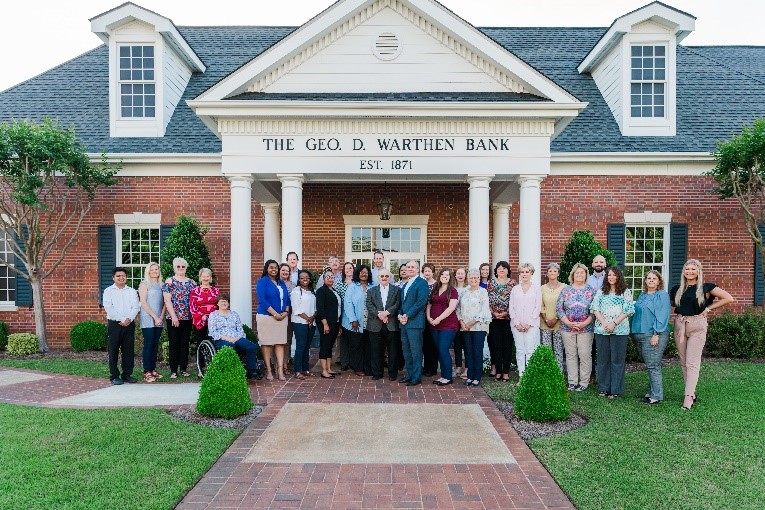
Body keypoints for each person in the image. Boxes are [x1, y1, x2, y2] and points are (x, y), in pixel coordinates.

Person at [670, 259, 734, 410]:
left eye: (693, 269)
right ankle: (691, 392)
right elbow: (675, 305)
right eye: (687, 269)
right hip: (680, 325)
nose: (689, 272)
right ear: (683, 271)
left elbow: (728, 298)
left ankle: (688, 397)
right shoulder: (676, 289)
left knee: (692, 362)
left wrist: (708, 309)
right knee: (684, 361)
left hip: (697, 325)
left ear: (698, 271)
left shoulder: (706, 287)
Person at [590, 267, 634, 398]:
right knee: (603, 360)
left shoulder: (625, 292)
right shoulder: (601, 292)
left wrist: (614, 324)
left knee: (617, 360)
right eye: (609, 275)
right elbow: (594, 308)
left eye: (614, 275)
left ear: (619, 276)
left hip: (620, 330)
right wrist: (604, 324)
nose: (611, 277)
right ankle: (604, 388)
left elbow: (627, 310)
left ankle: (616, 390)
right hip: (601, 330)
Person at [631, 270, 671, 404]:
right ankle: (652, 392)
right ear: (645, 281)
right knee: (650, 364)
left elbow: (662, 315)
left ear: (659, 281)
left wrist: (657, 334)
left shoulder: (662, 295)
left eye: (654, 278)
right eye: (648, 278)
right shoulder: (642, 295)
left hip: (653, 334)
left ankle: (656, 396)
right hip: (638, 333)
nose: (651, 280)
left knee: (653, 365)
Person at [556, 263, 596, 391]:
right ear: (573, 275)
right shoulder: (566, 290)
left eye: (582, 273)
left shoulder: (591, 291)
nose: (579, 275)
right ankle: (572, 381)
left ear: (586, 275)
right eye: (577, 273)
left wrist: (585, 323)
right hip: (567, 328)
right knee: (570, 354)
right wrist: (567, 322)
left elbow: (594, 310)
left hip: (586, 328)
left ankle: (584, 382)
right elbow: (559, 308)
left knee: (584, 354)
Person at [207, 294, 261, 378]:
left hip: (237, 337)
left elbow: (240, 329)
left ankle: (251, 370)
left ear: (228, 303)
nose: (223, 303)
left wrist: (237, 338)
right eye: (221, 301)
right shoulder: (213, 315)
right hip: (221, 338)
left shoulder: (234, 314)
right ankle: (232, 371)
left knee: (252, 347)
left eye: (225, 301)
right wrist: (226, 338)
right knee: (230, 346)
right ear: (217, 304)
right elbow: (212, 331)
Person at [103, 267, 140, 385]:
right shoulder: (108, 291)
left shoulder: (132, 291)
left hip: (129, 324)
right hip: (115, 324)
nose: (121, 278)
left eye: (123, 275)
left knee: (128, 350)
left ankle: (127, 374)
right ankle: (114, 375)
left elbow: (136, 307)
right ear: (113, 278)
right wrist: (123, 319)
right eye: (118, 276)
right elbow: (109, 308)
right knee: (113, 350)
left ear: (126, 277)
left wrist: (129, 319)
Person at [255, 259, 291, 381]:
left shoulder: (281, 283)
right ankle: (269, 370)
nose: (274, 269)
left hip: (282, 318)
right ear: (266, 268)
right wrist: (275, 314)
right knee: (267, 344)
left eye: (276, 267)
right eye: (271, 267)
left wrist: (285, 312)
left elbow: (287, 300)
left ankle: (280, 371)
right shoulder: (262, 282)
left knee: (280, 343)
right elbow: (262, 300)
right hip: (266, 316)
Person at [162, 257, 197, 379]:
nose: (181, 268)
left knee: (184, 343)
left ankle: (183, 369)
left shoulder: (192, 282)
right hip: (173, 317)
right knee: (174, 343)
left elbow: (195, 300)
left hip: (188, 318)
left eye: (183, 266)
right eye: (178, 266)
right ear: (174, 268)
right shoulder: (170, 281)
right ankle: (173, 370)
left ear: (186, 268)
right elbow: (167, 300)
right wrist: (173, 316)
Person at [457, 268, 492, 386]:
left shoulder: (483, 292)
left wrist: (471, 322)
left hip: (478, 327)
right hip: (465, 327)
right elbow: (458, 308)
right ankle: (470, 376)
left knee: (477, 351)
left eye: (476, 278)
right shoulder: (464, 292)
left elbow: (484, 310)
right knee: (468, 351)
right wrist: (461, 322)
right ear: (468, 279)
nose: (473, 280)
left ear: (479, 279)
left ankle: (477, 376)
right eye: (471, 277)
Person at [366, 268, 401, 381]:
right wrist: (379, 314)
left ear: (390, 278)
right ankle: (377, 373)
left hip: (392, 324)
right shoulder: (371, 290)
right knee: (376, 350)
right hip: (375, 324)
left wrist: (387, 313)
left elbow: (397, 304)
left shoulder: (396, 290)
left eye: (386, 276)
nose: (384, 278)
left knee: (393, 351)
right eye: (382, 276)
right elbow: (369, 304)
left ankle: (392, 374)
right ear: (378, 278)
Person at [398, 260, 430, 386]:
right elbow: (403, 303)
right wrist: (400, 315)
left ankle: (416, 377)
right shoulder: (405, 285)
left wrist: (407, 315)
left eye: (413, 267)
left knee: (416, 351)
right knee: (406, 351)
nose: (410, 269)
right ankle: (410, 374)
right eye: (408, 267)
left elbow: (421, 302)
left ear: (418, 269)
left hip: (415, 323)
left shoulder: (422, 283)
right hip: (404, 323)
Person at [509, 263, 542, 381]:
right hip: (516, 325)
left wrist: (529, 323)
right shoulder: (515, 289)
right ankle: (522, 376)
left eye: (527, 272)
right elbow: (511, 307)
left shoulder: (536, 288)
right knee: (520, 350)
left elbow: (537, 307)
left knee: (529, 350)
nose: (524, 274)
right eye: (522, 272)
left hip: (531, 325)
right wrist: (517, 323)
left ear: (531, 273)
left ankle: (529, 377)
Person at [427, 267, 460, 386]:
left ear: (450, 277)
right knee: (439, 351)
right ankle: (443, 376)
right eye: (443, 275)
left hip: (449, 325)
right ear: (439, 276)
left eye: (447, 275)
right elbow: (429, 304)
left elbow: (451, 308)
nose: (445, 276)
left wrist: (438, 319)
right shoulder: (435, 289)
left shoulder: (453, 291)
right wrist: (429, 318)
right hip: (434, 325)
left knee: (443, 349)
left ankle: (448, 377)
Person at [487, 261, 516, 381]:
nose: (502, 270)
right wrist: (493, 313)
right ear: (496, 271)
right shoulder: (491, 283)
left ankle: (506, 373)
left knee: (507, 346)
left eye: (504, 268)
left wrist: (507, 312)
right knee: (496, 345)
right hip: (494, 319)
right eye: (499, 268)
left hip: (508, 319)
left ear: (508, 270)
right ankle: (498, 371)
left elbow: (516, 301)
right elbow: (486, 300)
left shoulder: (513, 284)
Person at [343, 264, 372, 376]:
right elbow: (348, 303)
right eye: (361, 272)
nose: (364, 274)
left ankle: (367, 368)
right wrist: (353, 320)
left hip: (369, 322)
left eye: (366, 272)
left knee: (368, 346)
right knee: (356, 346)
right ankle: (358, 368)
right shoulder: (352, 287)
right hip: (355, 322)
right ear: (357, 273)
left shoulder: (372, 286)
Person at [138, 262, 165, 383]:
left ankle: (153, 369)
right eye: (152, 269)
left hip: (159, 318)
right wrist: (154, 317)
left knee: (155, 344)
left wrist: (161, 317)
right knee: (148, 344)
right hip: (148, 317)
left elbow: (165, 303)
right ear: (148, 271)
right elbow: (143, 302)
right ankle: (146, 371)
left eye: (156, 269)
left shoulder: (162, 285)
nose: (154, 271)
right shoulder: (144, 284)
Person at [315, 268, 342, 379]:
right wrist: (325, 324)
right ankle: (324, 371)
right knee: (325, 345)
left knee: (330, 346)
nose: (330, 279)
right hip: (326, 323)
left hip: (335, 322)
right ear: (323, 279)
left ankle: (329, 368)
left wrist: (339, 325)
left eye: (332, 277)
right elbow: (320, 309)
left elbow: (338, 308)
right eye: (328, 277)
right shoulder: (321, 291)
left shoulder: (334, 291)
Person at [540, 262, 566, 374]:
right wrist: (546, 319)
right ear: (547, 273)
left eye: (555, 271)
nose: (552, 273)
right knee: (547, 350)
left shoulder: (565, 287)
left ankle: (558, 374)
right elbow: (540, 305)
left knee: (558, 350)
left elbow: (565, 305)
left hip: (559, 323)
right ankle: (548, 373)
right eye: (550, 271)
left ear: (558, 273)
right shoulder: (542, 288)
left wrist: (556, 318)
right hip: (544, 323)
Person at [290, 269, 316, 380]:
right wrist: (308, 319)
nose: (304, 279)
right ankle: (297, 370)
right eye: (302, 278)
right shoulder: (296, 291)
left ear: (310, 279)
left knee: (307, 346)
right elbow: (297, 309)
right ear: (299, 279)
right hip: (300, 322)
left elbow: (316, 308)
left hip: (311, 322)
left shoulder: (312, 291)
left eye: (307, 277)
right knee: (300, 346)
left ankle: (305, 369)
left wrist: (312, 318)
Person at [586, 254, 607, 383]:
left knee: (603, 348)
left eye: (601, 262)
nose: (598, 264)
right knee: (590, 347)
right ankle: (591, 374)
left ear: (605, 264)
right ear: (593, 265)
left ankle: (604, 375)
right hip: (589, 317)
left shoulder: (610, 277)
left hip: (605, 317)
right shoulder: (587, 279)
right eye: (596, 262)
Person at [189, 267, 219, 346]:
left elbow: (219, 305)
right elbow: (192, 307)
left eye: (207, 276)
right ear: (200, 278)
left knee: (215, 342)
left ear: (210, 278)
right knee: (201, 343)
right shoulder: (195, 291)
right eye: (204, 276)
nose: (206, 278)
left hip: (214, 320)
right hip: (200, 320)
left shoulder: (216, 291)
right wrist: (201, 316)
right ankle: (200, 358)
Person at [334, 261, 355, 370]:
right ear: (343, 270)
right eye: (346, 268)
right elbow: (336, 299)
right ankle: (344, 362)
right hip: (342, 313)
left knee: (353, 338)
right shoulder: (339, 283)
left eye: (350, 268)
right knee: (343, 339)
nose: (348, 270)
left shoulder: (357, 283)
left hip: (355, 314)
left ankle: (352, 361)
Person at [421, 262, 439, 377]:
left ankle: (432, 368)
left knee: (433, 343)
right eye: (425, 271)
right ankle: (426, 367)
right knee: (425, 344)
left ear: (433, 272)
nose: (427, 273)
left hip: (433, 317)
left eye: (429, 271)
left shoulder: (437, 285)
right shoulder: (421, 284)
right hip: (422, 317)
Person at [453, 266, 469, 379]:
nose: (460, 275)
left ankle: (467, 369)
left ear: (465, 275)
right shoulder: (452, 288)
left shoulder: (468, 288)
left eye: (462, 273)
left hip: (466, 321)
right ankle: (458, 367)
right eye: (458, 273)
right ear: (455, 275)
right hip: (454, 320)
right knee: (457, 345)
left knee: (467, 345)